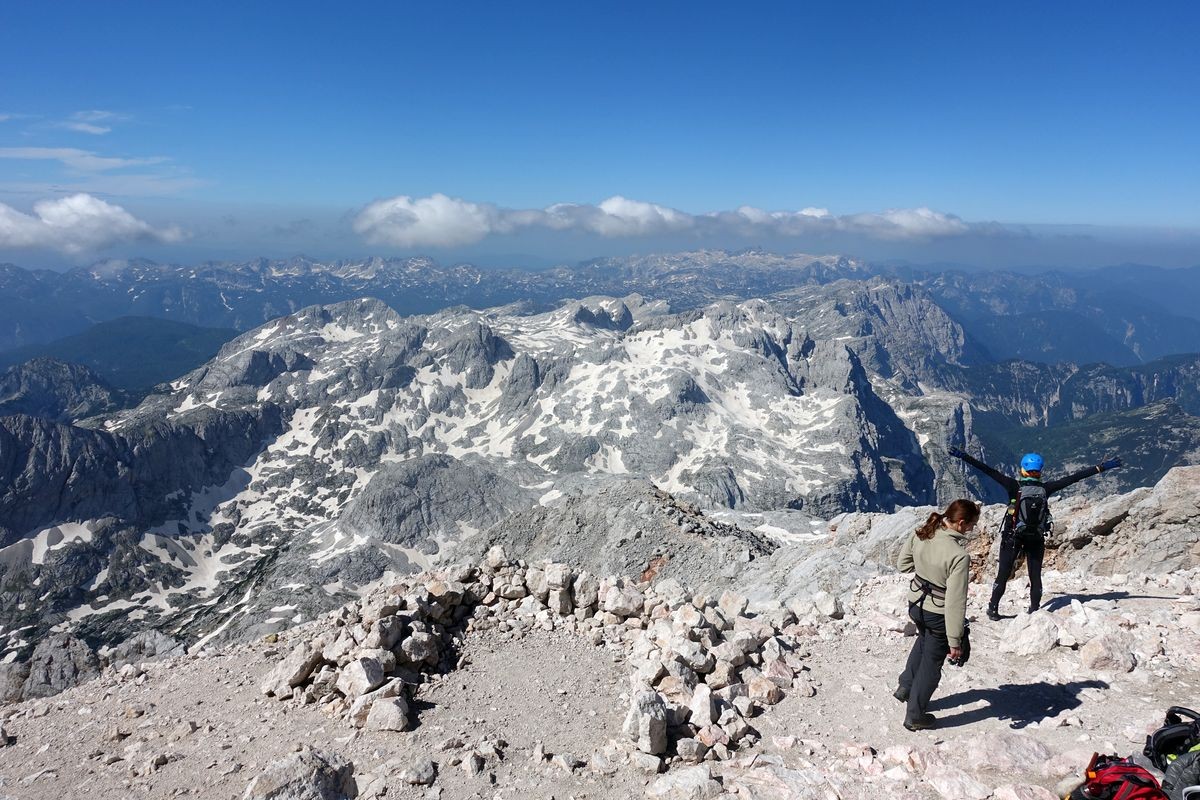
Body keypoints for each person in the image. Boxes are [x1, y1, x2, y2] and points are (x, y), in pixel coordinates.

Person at [948, 448, 1121, 620]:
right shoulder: (1046, 489)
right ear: (1040, 472)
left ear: (1022, 470)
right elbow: (1074, 478)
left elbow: (988, 470)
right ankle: (1035, 609)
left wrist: (964, 456)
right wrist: (1102, 467)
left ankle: (993, 609)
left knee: (1003, 574)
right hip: (1036, 538)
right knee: (1035, 575)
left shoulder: (1013, 486)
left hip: (1012, 537)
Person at [895, 498, 979, 731]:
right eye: (972, 524)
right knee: (932, 663)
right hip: (936, 611)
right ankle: (915, 715)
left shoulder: (924, 531)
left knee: (924, 639)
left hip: (915, 603)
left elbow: (902, 564)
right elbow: (955, 603)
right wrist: (955, 641)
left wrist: (925, 569)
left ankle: (905, 687)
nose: (973, 529)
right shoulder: (959, 556)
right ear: (960, 523)